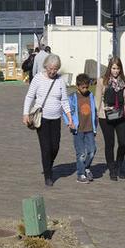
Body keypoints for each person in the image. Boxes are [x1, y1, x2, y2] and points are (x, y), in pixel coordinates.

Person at [22, 54, 74, 187]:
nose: (52, 71)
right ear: (46, 66)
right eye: (50, 68)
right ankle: (48, 175)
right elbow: (29, 96)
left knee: (55, 147)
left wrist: (69, 118)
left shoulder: (60, 81)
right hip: (42, 118)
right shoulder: (38, 79)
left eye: (55, 69)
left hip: (56, 118)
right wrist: (25, 113)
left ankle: (48, 165)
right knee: (46, 147)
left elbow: (64, 100)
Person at [96, 57, 125, 181]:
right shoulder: (102, 81)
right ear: (110, 68)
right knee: (110, 143)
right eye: (113, 68)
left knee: (124, 142)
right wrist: (95, 116)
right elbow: (97, 100)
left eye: (118, 68)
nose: (116, 71)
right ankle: (112, 169)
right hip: (105, 115)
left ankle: (119, 165)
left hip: (121, 115)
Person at [65, 74, 98, 184]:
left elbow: (94, 111)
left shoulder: (91, 96)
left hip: (89, 128)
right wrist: (69, 122)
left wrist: (95, 126)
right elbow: (66, 111)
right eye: (83, 87)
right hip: (78, 130)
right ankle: (80, 173)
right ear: (77, 86)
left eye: (87, 87)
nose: (85, 89)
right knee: (81, 153)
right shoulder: (72, 97)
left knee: (92, 151)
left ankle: (86, 168)